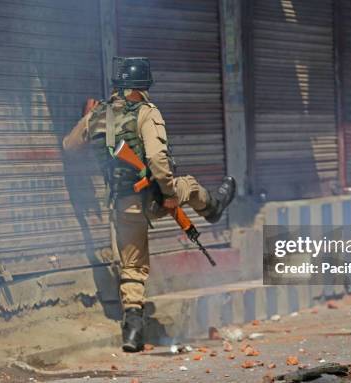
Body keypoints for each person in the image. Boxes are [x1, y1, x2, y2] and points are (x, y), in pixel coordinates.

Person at [62, 57, 236, 352]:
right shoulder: (146, 112)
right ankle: (213, 208)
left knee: (132, 265)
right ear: (143, 86)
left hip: (121, 203)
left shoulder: (98, 115)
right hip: (151, 197)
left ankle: (132, 332)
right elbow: (157, 159)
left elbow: (69, 146)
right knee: (189, 185)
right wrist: (168, 193)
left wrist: (87, 118)